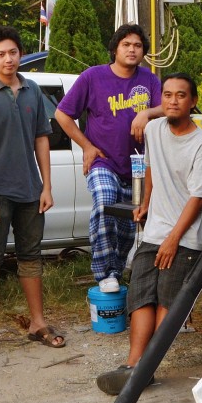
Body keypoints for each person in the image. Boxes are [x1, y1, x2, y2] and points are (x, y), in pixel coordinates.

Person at [96, 73, 202, 395]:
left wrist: (173, 240)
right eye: (167, 95)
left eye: (180, 95)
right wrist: (146, 201)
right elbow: (150, 167)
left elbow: (198, 198)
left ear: (192, 102)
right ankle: (134, 365)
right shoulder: (153, 129)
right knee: (141, 293)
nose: (173, 101)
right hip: (157, 227)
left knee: (167, 296)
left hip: (187, 234)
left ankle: (147, 367)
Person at [0, 26, 64, 357]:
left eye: (14, 52)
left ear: (21, 55)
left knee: (31, 257)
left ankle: (37, 323)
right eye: (1, 54)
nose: (8, 59)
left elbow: (41, 140)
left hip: (30, 192)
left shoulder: (33, 91)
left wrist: (46, 186)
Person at [55, 24, 164, 293]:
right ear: (115, 48)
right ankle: (105, 272)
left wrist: (146, 113)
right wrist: (86, 147)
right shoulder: (93, 77)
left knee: (130, 222)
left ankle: (118, 268)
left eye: (138, 45)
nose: (132, 49)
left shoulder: (149, 80)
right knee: (104, 202)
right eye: (126, 44)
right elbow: (62, 114)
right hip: (103, 161)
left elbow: (166, 107)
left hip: (139, 165)